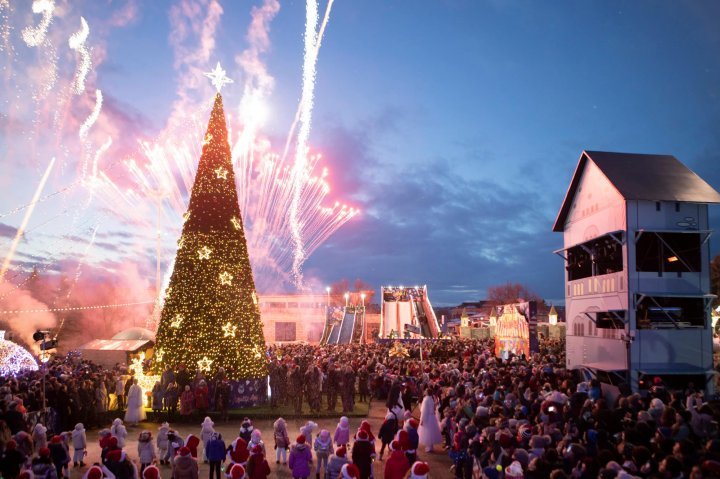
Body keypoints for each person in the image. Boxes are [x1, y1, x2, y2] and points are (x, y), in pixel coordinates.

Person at [418, 388, 442, 453]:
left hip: (427, 417)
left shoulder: (425, 400)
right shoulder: (431, 399)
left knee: (427, 431)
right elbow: (433, 408)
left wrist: (422, 420)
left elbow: (424, 411)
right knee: (431, 431)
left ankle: (429, 447)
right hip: (432, 417)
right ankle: (430, 446)